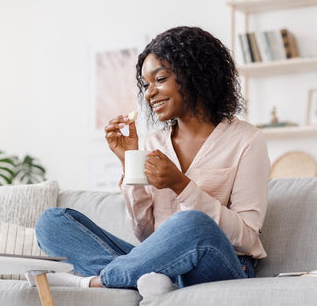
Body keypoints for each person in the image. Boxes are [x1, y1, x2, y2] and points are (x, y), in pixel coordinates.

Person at [27, 26, 270, 296]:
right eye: (146, 84)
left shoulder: (247, 140)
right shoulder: (154, 143)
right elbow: (146, 237)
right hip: (159, 266)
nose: (148, 93)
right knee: (52, 222)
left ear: (196, 75)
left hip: (221, 265)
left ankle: (100, 281)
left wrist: (182, 186)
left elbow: (247, 237)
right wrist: (130, 162)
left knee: (192, 223)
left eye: (160, 79)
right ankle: (152, 282)